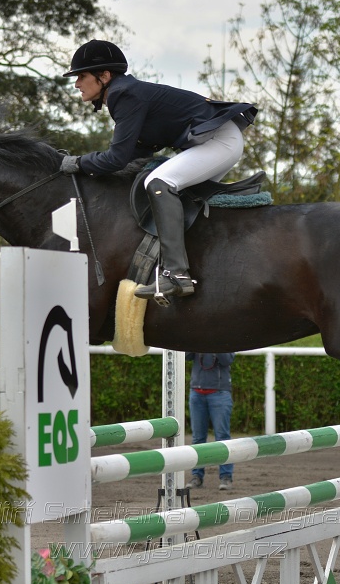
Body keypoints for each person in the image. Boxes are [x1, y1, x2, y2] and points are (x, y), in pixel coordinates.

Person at [59, 40, 257, 302]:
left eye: (81, 76)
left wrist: (79, 163)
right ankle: (190, 267)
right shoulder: (125, 93)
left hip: (220, 141)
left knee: (159, 182)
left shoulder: (123, 94)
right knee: (171, 195)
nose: (76, 84)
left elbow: (117, 158)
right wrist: (87, 165)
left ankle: (176, 274)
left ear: (104, 76)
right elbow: (137, 152)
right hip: (218, 140)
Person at [185, 352, 236, 490]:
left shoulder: (225, 336)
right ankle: (197, 476)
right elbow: (185, 355)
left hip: (219, 392)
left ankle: (226, 477)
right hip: (197, 391)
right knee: (197, 438)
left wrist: (215, 343)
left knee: (223, 438)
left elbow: (227, 360)